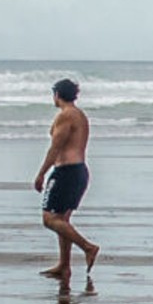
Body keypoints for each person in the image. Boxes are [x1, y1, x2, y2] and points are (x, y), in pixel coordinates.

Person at [32, 78, 100, 282]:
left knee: (50, 219)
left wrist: (42, 172)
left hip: (66, 172)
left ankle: (88, 247)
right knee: (62, 220)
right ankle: (64, 265)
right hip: (78, 171)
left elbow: (56, 147)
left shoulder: (66, 115)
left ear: (57, 95)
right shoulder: (79, 115)